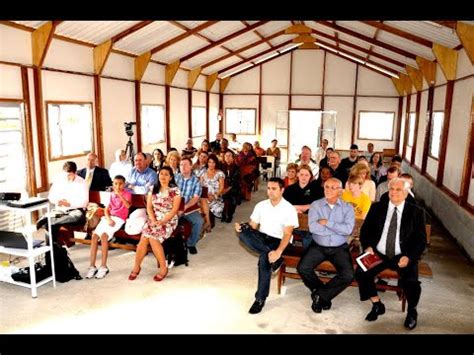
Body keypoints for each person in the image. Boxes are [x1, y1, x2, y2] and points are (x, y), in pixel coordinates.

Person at [355, 178, 426, 330]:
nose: (393, 192)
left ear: (406, 193)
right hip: (378, 253)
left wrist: (409, 257)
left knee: (412, 281)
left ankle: (412, 311)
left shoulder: (416, 212)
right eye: (391, 189)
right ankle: (377, 304)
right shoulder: (377, 208)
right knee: (361, 272)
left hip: (403, 255)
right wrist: (367, 246)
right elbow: (365, 231)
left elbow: (421, 240)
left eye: (398, 190)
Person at [235, 178, 298, 314]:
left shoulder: (289, 209)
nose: (270, 191)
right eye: (268, 188)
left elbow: (287, 234)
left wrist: (279, 251)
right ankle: (274, 258)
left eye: (274, 189)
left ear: (282, 190)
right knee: (243, 234)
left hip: (279, 240)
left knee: (264, 260)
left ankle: (260, 299)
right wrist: (242, 226)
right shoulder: (261, 205)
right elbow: (252, 226)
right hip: (263, 238)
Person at [297, 178, 355, 313]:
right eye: (326, 187)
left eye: (333, 188)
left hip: (339, 247)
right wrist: (336, 229)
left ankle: (319, 296)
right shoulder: (316, 205)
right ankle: (322, 294)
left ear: (340, 191)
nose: (328, 190)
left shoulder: (347, 208)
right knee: (303, 268)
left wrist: (327, 223)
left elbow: (348, 230)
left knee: (348, 275)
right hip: (318, 244)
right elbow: (313, 228)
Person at [128, 166, 181, 282]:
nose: (163, 176)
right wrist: (153, 220)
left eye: (166, 174)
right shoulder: (153, 189)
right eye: (161, 173)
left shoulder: (175, 191)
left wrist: (162, 221)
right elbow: (149, 208)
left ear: (171, 177)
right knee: (144, 239)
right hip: (153, 218)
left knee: (153, 239)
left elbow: (174, 210)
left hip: (169, 220)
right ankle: (137, 266)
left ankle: (163, 268)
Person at [86, 175, 131, 279]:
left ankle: (103, 266)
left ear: (124, 184)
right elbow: (106, 209)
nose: (118, 186)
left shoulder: (127, 194)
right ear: (113, 184)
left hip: (119, 219)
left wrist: (120, 195)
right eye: (115, 184)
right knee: (94, 236)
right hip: (109, 218)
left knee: (104, 236)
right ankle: (92, 266)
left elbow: (128, 206)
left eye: (120, 184)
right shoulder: (111, 195)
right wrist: (108, 218)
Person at [36, 161, 89, 239]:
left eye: (70, 175)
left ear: (75, 173)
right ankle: (54, 249)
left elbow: (84, 202)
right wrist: (57, 201)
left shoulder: (82, 182)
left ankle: (48, 219)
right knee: (52, 223)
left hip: (75, 212)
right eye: (65, 175)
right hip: (61, 212)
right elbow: (51, 196)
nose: (67, 177)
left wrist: (69, 204)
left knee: (74, 217)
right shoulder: (59, 181)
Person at [175, 158, 204, 254]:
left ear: (191, 166)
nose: (183, 167)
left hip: (188, 206)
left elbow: (195, 198)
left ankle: (190, 243)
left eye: (185, 164)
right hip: (174, 206)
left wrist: (184, 207)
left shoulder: (196, 181)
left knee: (199, 221)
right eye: (181, 165)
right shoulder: (175, 177)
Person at [221, 150, 241, 223]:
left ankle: (230, 215)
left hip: (233, 188)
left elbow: (235, 181)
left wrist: (227, 189)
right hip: (223, 187)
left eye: (229, 156)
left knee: (231, 199)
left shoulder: (236, 167)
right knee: (222, 199)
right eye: (226, 156)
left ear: (233, 158)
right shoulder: (222, 166)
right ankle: (223, 214)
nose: (227, 158)